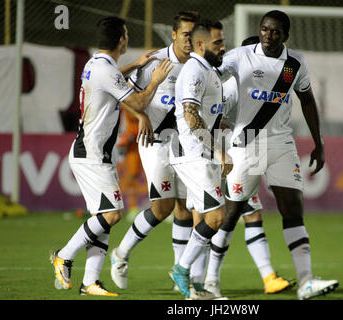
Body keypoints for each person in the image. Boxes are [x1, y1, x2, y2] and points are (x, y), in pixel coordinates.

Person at [207, 10, 339, 300]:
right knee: (230, 215)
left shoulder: (295, 63)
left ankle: (305, 281)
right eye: (265, 30)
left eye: (275, 32)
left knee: (292, 208)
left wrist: (319, 142)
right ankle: (210, 282)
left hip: (281, 142)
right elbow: (211, 74)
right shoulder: (241, 56)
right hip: (245, 145)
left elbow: (307, 99)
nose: (268, 36)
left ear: (285, 36)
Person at [49, 16, 173, 296]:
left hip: (93, 152)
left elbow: (113, 79)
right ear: (121, 39)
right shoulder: (106, 70)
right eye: (126, 33)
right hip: (92, 154)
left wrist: (136, 66)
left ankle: (90, 282)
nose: (127, 37)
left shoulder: (96, 64)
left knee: (102, 216)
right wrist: (154, 80)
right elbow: (139, 100)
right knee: (113, 214)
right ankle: (64, 256)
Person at [108, 11, 203, 295]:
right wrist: (141, 116)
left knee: (184, 208)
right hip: (155, 142)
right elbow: (124, 96)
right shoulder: (155, 63)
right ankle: (121, 254)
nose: (191, 41)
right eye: (186, 35)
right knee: (162, 209)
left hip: (185, 145)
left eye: (194, 36)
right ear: (174, 35)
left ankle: (178, 276)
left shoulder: (199, 64)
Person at [204, 37, 295, 297]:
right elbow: (209, 113)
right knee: (223, 217)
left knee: (249, 214)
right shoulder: (234, 85)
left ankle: (268, 278)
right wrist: (220, 134)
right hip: (229, 159)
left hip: (244, 157)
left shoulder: (266, 83)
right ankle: (204, 278)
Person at [168, 19, 233, 300]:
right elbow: (191, 116)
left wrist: (221, 127)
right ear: (200, 44)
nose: (223, 47)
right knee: (217, 216)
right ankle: (181, 269)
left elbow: (206, 115)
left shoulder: (209, 71)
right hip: (191, 154)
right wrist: (219, 151)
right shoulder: (194, 71)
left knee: (204, 219)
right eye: (218, 42)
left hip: (201, 154)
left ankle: (195, 285)